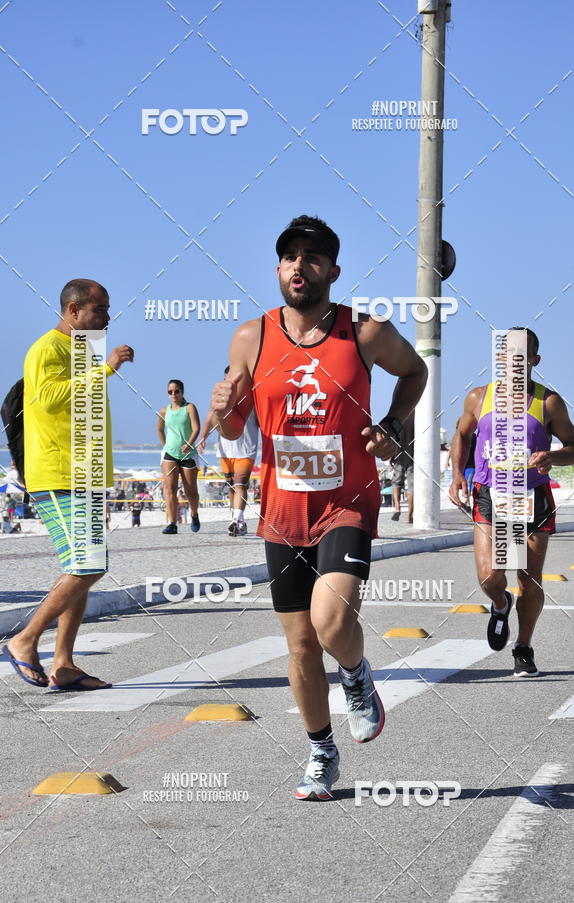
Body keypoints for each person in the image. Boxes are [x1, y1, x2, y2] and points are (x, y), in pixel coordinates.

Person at [210, 215, 427, 800]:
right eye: (289, 257)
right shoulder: (251, 336)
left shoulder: (365, 332)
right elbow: (233, 426)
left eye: (311, 257)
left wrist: (392, 425)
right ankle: (321, 751)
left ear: (333, 270)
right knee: (302, 645)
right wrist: (224, 408)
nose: (298, 266)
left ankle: (356, 674)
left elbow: (415, 370)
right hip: (282, 511)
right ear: (278, 269)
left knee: (331, 623)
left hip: (346, 502)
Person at [4, 278, 133, 690]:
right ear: (74, 310)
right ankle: (25, 640)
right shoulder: (47, 348)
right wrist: (106, 369)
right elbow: (47, 399)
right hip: (59, 475)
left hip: (84, 476)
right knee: (89, 564)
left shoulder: (80, 351)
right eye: (99, 309)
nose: (107, 317)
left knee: (79, 567)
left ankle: (63, 663)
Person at [449, 327, 574, 677]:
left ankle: (523, 646)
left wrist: (553, 457)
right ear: (500, 357)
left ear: (534, 360)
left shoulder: (549, 402)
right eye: (508, 352)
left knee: (529, 578)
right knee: (490, 576)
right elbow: (461, 434)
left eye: (522, 354)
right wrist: (457, 475)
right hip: (491, 495)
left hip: (532, 497)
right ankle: (500, 602)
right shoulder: (479, 397)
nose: (514, 359)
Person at [199, 367, 260, 536]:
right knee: (231, 487)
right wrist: (203, 437)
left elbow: (263, 421)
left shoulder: (251, 397)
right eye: (227, 380)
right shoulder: (221, 398)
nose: (230, 384)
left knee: (240, 485)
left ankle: (236, 519)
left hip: (246, 450)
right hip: (225, 451)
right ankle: (238, 521)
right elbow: (210, 418)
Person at [157, 379, 200, 534]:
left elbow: (196, 428)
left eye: (176, 391)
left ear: (182, 392)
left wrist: (189, 444)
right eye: (170, 391)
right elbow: (160, 429)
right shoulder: (164, 410)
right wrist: (165, 446)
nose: (173, 394)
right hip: (170, 454)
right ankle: (172, 523)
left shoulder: (189, 408)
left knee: (191, 491)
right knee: (170, 489)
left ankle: (194, 514)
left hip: (188, 455)